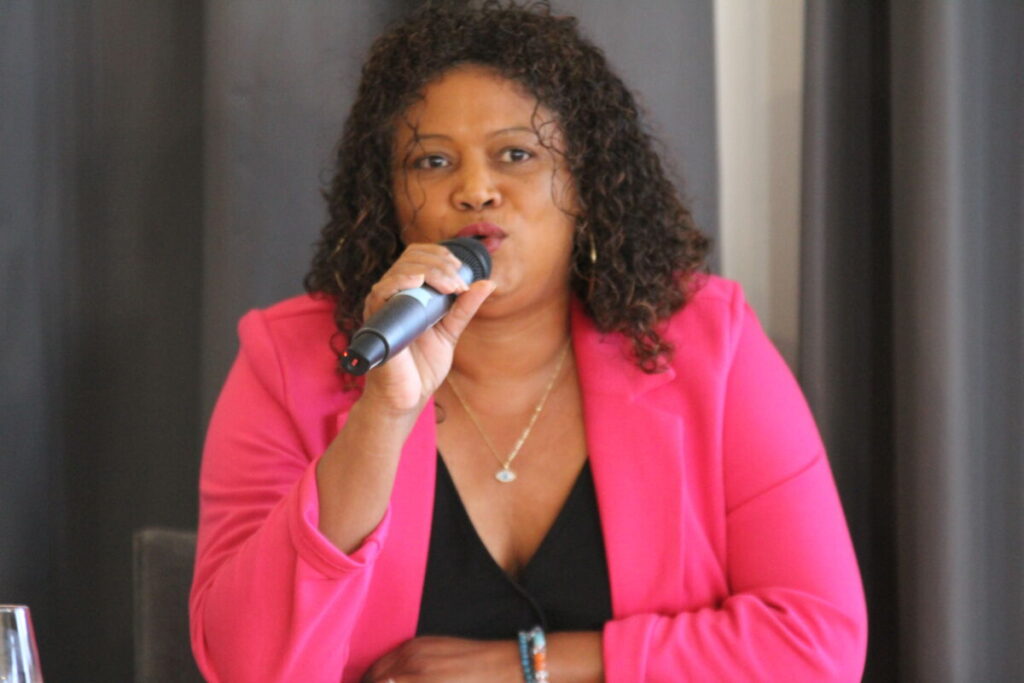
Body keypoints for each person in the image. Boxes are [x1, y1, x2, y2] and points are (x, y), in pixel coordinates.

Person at [189, 3, 868, 681]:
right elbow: (245, 665)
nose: (475, 189)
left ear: (585, 182)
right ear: (388, 199)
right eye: (432, 161)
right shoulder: (288, 361)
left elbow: (818, 644)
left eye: (516, 154)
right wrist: (382, 416)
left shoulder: (710, 346)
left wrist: (528, 665)